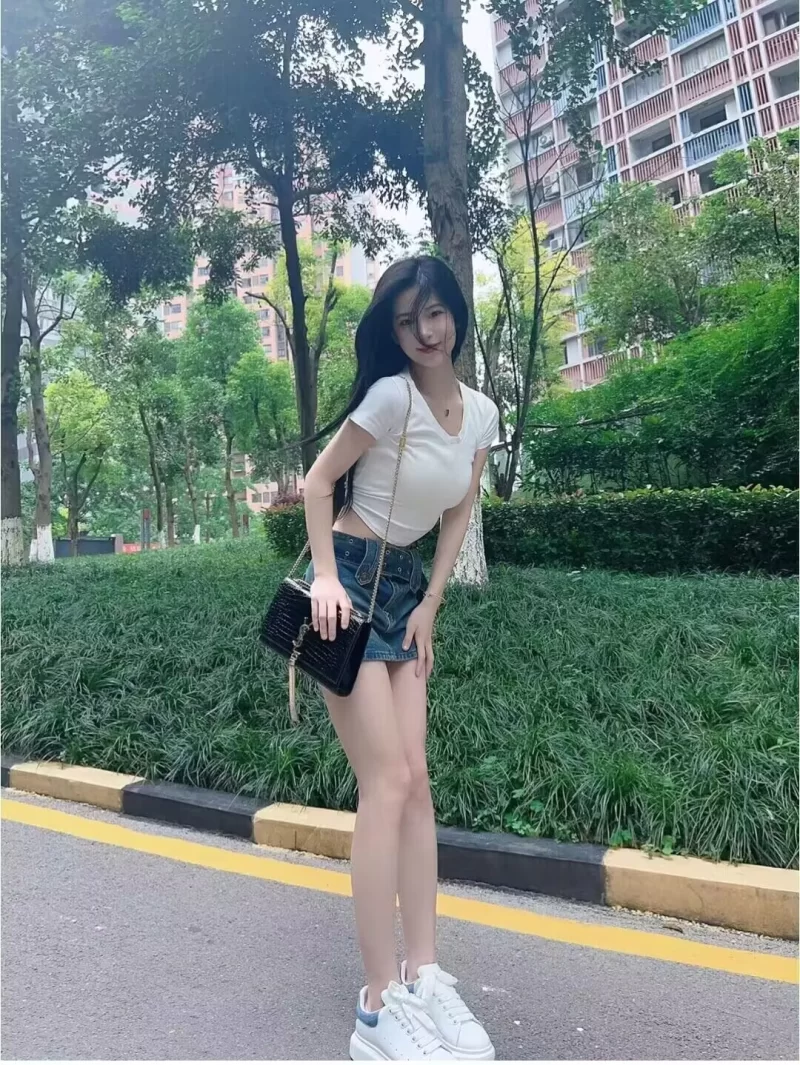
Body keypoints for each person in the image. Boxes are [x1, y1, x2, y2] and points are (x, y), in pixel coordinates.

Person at [303, 256, 499, 1061]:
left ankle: (424, 972)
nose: (425, 331)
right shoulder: (390, 398)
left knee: (416, 781)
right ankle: (377, 1005)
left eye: (436, 313)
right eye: (407, 320)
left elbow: (460, 509)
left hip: (404, 590)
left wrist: (431, 604)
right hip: (345, 590)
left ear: (456, 314)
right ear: (394, 331)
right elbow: (318, 484)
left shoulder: (481, 414)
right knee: (384, 783)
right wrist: (323, 576)